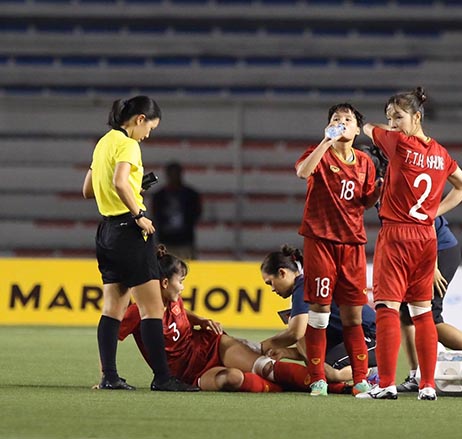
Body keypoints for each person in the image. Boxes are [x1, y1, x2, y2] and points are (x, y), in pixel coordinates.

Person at [358, 87, 462, 401]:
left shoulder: (399, 144)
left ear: (416, 117)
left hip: (397, 235)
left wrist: (367, 125)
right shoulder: (440, 153)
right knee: (422, 314)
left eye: (398, 116)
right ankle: (427, 386)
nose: (392, 124)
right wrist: (433, 211)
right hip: (426, 236)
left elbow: (367, 129)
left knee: (386, 309)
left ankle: (386, 384)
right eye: (389, 118)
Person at [82, 96, 198, 392]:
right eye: (150, 128)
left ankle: (109, 376)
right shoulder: (129, 145)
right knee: (152, 308)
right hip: (128, 230)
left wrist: (136, 187)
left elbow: (88, 190)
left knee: (112, 309)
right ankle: (162, 378)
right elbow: (121, 182)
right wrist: (140, 213)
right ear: (140, 119)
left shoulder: (104, 142)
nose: (148, 135)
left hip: (106, 231)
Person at [119, 245, 349, 394]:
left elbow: (180, 311)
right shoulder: (139, 312)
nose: (183, 286)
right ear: (165, 283)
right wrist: (107, 372)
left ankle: (338, 387)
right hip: (189, 373)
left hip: (211, 346)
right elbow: (112, 333)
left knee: (265, 367)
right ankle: (297, 385)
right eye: (182, 281)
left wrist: (198, 319)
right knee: (232, 379)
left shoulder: (173, 299)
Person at [295, 102, 382, 396]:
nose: (342, 122)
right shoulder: (318, 154)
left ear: (358, 129)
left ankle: (360, 380)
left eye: (348, 119)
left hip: (353, 246)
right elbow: (302, 173)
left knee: (353, 316)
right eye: (336, 118)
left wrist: (378, 191)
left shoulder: (365, 163)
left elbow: (365, 202)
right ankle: (318, 378)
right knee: (318, 313)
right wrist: (325, 141)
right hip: (320, 242)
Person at [259, 245, 378, 383]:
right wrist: (285, 352)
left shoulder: (303, 286)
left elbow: (295, 333)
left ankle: (372, 372)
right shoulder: (303, 286)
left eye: (270, 283)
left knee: (331, 373)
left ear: (282, 273)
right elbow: (307, 344)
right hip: (347, 338)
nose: (272, 289)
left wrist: (260, 347)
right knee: (315, 355)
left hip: (371, 336)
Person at [396, 215, 462, 392]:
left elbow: (428, 223)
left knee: (428, 317)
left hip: (439, 250)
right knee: (405, 315)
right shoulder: (381, 193)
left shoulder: (406, 189)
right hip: (416, 251)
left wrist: (432, 265)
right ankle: (415, 374)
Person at [151, 161, 202, 260]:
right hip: (165, 241)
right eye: (171, 174)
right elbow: (155, 215)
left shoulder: (191, 195)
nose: (174, 177)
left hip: (185, 242)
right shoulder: (159, 196)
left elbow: (196, 213)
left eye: (176, 174)